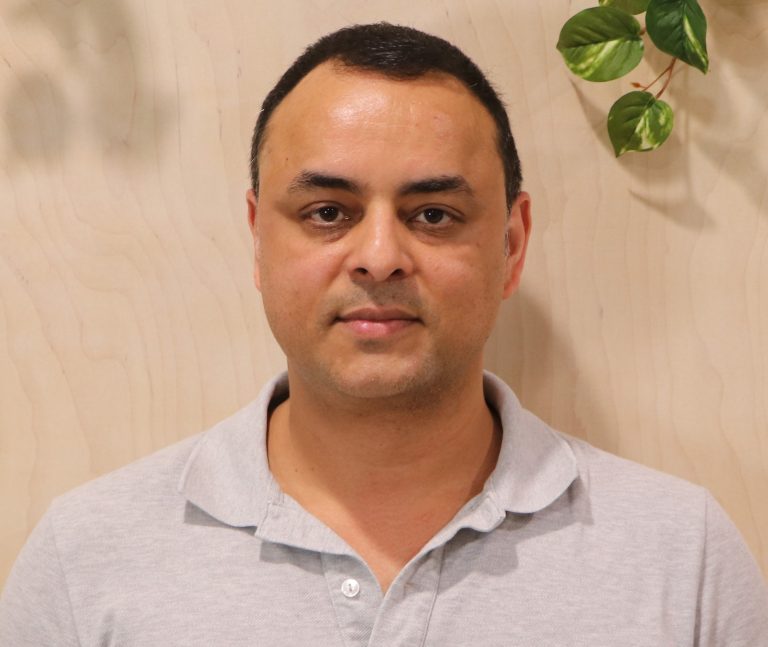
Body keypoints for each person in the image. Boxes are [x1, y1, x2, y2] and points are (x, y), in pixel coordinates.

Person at [1, 22, 766, 646]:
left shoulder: (681, 556)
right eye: (327, 212)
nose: (378, 256)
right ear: (258, 238)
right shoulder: (85, 559)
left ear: (511, 244)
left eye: (433, 214)